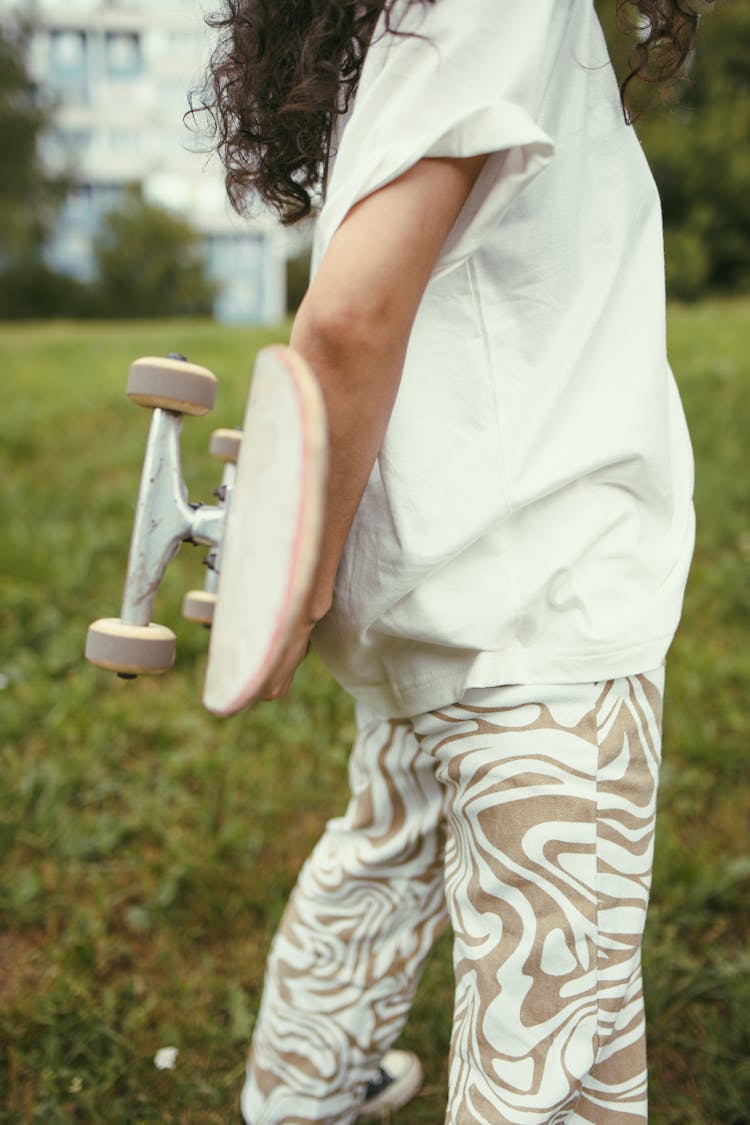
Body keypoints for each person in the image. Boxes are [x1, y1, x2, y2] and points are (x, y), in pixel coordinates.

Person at [199, 0, 704, 1120]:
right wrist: (300, 570)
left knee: (386, 856)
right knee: (552, 1031)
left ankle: (300, 1095)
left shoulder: (405, 28)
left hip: (437, 591)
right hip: (540, 599)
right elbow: (345, 322)